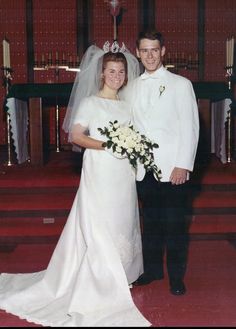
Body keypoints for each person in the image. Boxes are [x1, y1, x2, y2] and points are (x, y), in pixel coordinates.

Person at [0, 45, 151, 327]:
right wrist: (108, 144)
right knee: (100, 221)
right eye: (111, 71)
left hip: (123, 174)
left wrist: (132, 148)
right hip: (101, 170)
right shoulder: (90, 103)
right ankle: (99, 280)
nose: (116, 76)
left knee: (123, 218)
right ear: (102, 74)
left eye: (121, 72)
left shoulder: (128, 105)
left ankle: (122, 274)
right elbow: (76, 136)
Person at [120, 30, 199, 296]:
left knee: (175, 224)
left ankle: (177, 277)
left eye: (155, 50)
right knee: (150, 223)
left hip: (172, 168)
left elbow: (190, 127)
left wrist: (183, 164)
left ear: (163, 51)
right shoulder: (129, 88)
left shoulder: (180, 84)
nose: (150, 56)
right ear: (138, 53)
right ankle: (153, 270)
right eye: (144, 51)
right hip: (143, 170)